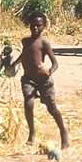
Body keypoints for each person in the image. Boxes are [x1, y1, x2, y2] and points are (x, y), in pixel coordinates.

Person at [11, 12, 70, 149]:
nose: (35, 28)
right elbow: (24, 55)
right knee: (28, 102)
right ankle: (32, 133)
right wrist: (14, 65)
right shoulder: (25, 41)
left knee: (51, 107)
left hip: (44, 80)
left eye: (38, 25)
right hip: (28, 79)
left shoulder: (44, 43)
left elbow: (55, 63)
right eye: (33, 25)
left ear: (44, 26)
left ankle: (63, 131)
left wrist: (50, 71)